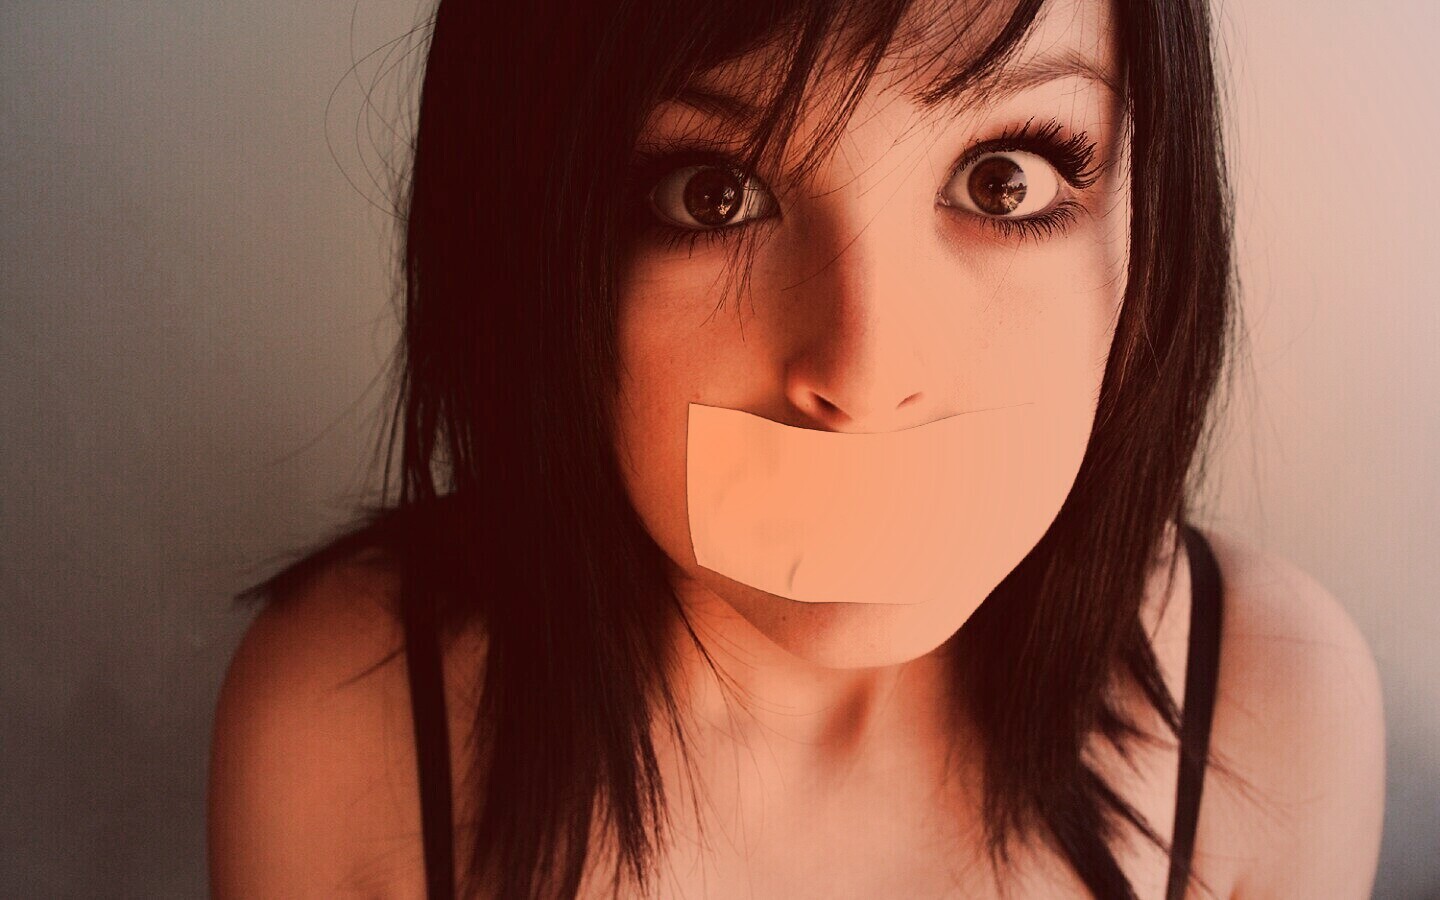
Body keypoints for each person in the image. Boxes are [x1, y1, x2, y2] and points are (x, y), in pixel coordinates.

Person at [206, 0, 1386, 897]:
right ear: (531, 238)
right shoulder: (346, 729)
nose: (863, 378)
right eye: (711, 194)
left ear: (1150, 209)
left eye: (1004, 181)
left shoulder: (1269, 713)